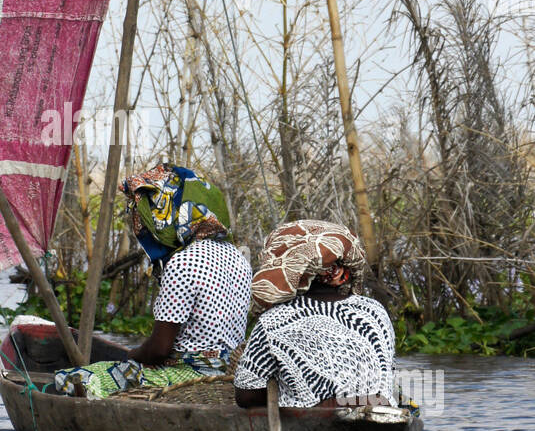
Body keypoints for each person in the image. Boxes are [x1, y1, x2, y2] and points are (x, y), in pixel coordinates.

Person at [54, 164, 252, 399]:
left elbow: (159, 350)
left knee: (68, 379)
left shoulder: (184, 262)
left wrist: (132, 356)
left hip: (187, 373)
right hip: (229, 369)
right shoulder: (238, 256)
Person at [234, 219, 396, 410]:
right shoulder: (375, 311)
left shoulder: (274, 319)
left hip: (313, 422)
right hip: (383, 413)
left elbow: (246, 395)